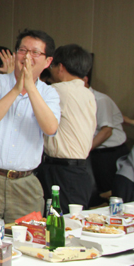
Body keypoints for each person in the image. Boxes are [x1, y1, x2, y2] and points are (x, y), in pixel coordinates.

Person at [0, 29, 60, 233]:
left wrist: (30, 88)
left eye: (35, 52)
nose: (27, 57)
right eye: (23, 50)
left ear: (48, 61)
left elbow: (51, 128)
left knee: (28, 245)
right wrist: (17, 88)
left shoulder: (49, 93)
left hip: (26, 184)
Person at [37, 44, 96, 212]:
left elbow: (29, 92)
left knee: (60, 224)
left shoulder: (59, 90)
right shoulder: (88, 93)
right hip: (79, 170)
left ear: (60, 67)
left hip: (62, 171)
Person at [86, 74, 130, 199]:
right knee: (96, 193)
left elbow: (106, 131)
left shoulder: (100, 99)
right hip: (94, 152)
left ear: (84, 80)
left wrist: (84, 151)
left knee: (110, 194)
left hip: (109, 152)